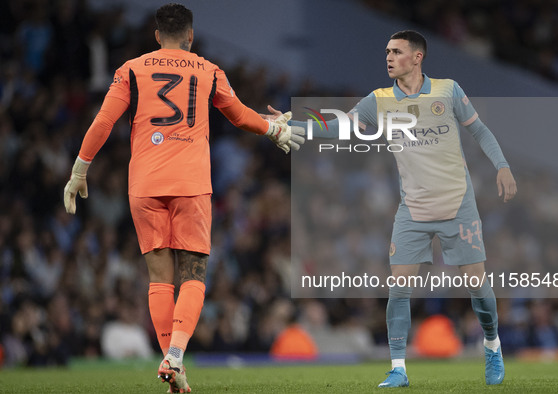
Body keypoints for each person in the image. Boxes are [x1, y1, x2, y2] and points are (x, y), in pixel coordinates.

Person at [63, 3, 297, 392]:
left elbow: (103, 121)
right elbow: (239, 115)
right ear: (191, 35)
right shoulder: (208, 70)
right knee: (193, 274)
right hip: (190, 183)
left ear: (156, 35)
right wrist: (272, 128)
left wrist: (79, 171)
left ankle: (175, 368)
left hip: (144, 183)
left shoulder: (132, 69)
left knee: (159, 279)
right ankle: (175, 355)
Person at [276, 30, 517, 387]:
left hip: (457, 204)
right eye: (387, 51)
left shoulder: (448, 90)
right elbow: (341, 128)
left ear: (417, 57)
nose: (388, 57)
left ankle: (492, 345)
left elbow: (479, 130)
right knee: (399, 288)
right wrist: (292, 125)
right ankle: (399, 368)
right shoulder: (379, 99)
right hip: (413, 210)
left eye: (397, 52)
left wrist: (503, 165)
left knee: (477, 287)